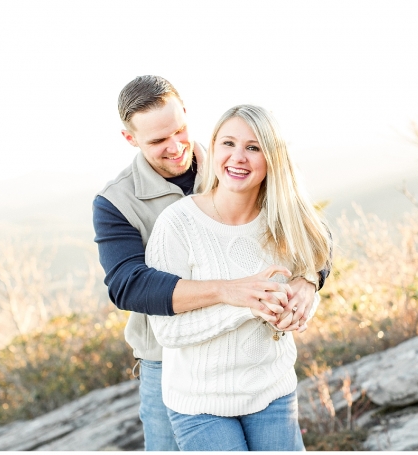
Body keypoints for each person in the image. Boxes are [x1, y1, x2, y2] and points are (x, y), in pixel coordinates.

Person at [93, 76, 329, 451]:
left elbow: (311, 237)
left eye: (179, 130)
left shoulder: (232, 161)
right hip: (167, 361)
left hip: (258, 368)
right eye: (157, 141)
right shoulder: (116, 201)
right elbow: (129, 285)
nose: (175, 147)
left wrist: (309, 281)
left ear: (187, 115)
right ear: (130, 139)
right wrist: (232, 293)